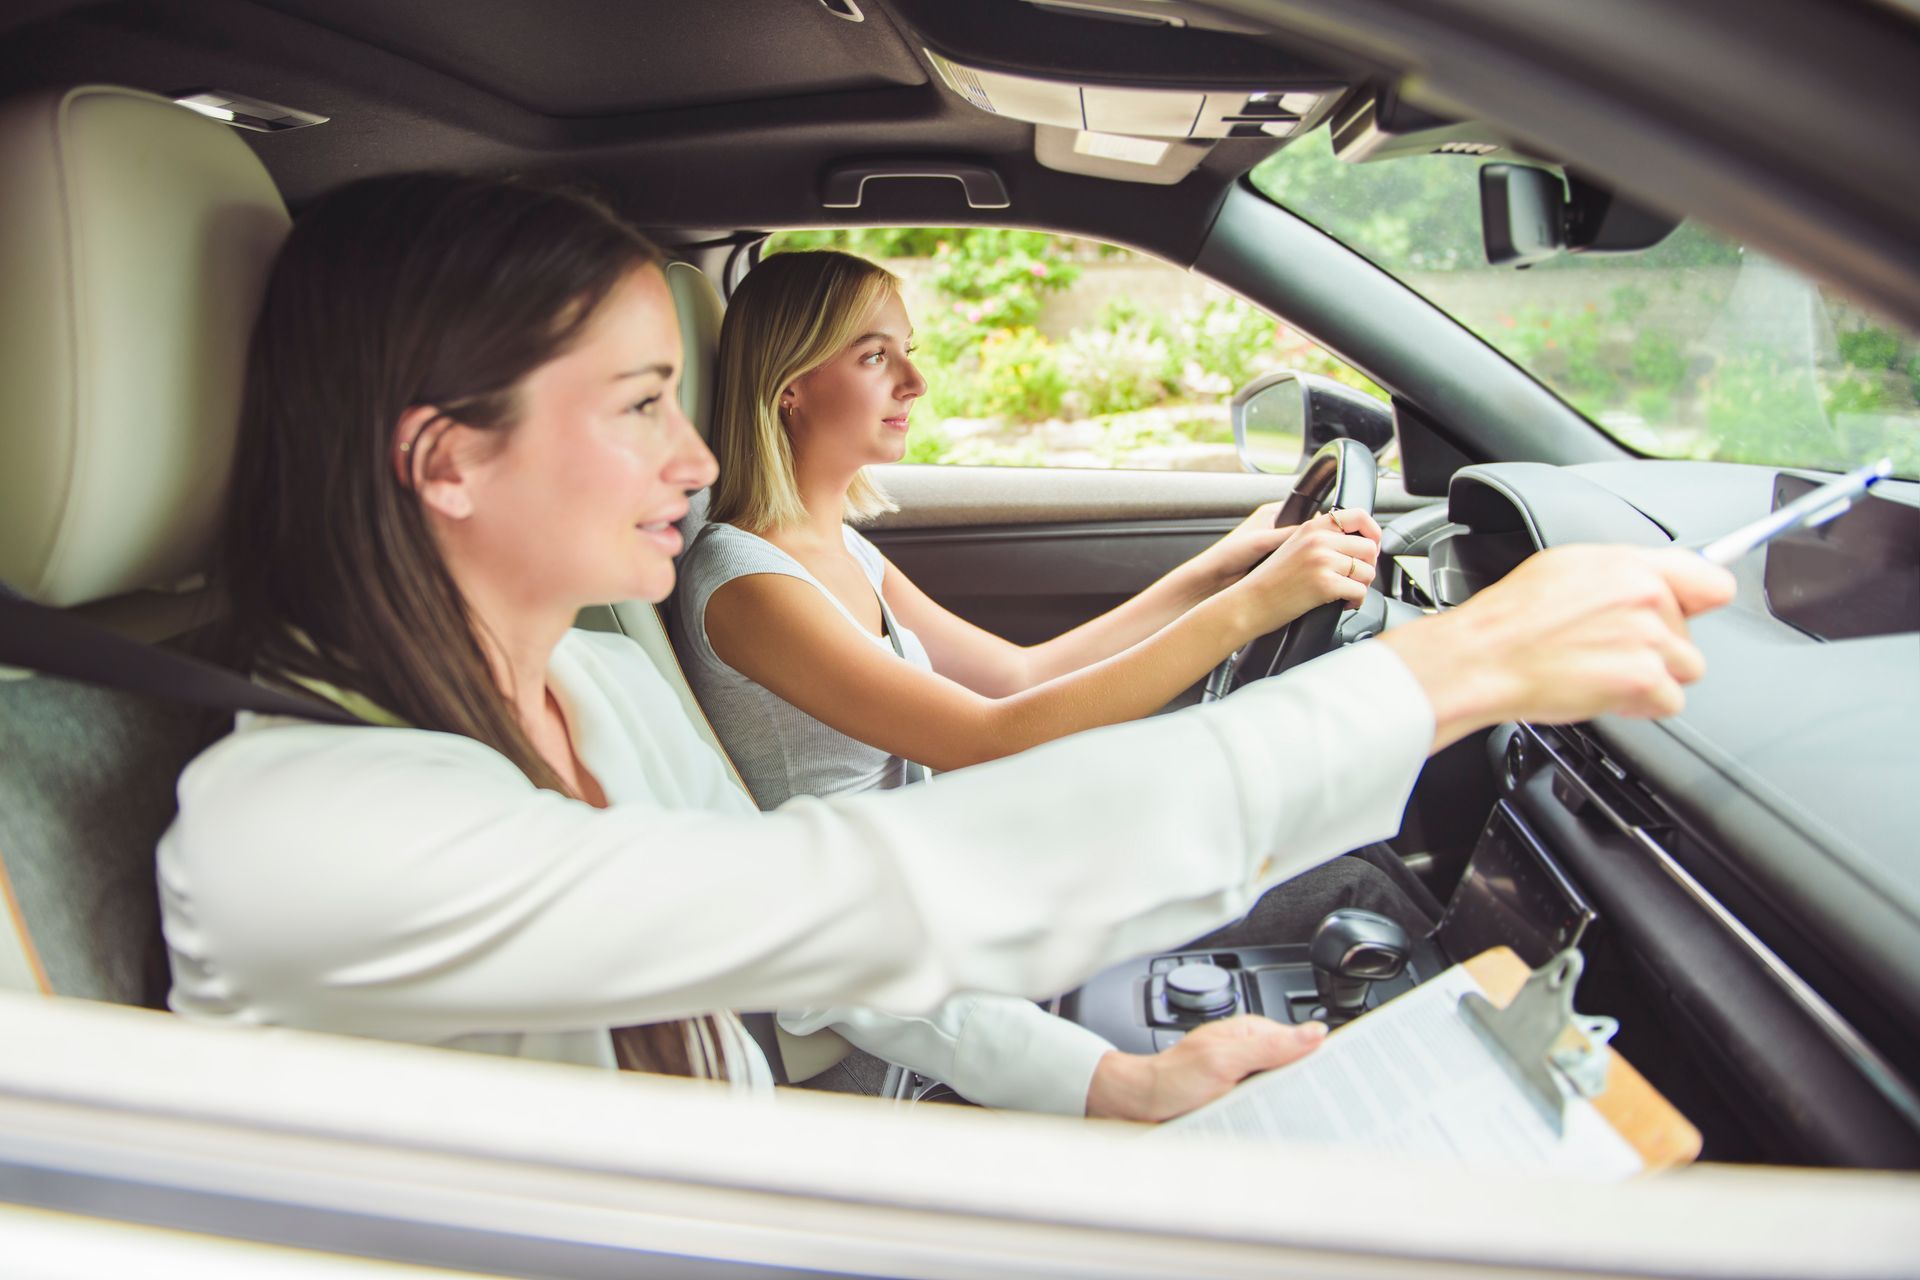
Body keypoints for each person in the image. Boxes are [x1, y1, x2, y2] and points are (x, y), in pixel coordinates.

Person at [160, 172, 1733, 1121]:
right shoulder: (305, 829)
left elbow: (820, 941)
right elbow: (866, 887)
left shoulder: (596, 682)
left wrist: (1107, 1084)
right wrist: (1448, 671)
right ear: (446, 460)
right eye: (639, 405)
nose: (693, 460)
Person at [673, 248, 1442, 1108]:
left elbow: (1016, 675)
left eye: (907, 351)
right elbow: (986, 738)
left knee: (1335, 865)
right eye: (876, 356)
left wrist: (1216, 571)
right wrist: (1249, 609)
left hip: (953, 885)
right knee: (1346, 890)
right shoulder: (749, 584)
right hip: (889, 983)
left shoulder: (840, 547)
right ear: (791, 387)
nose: (916, 382)